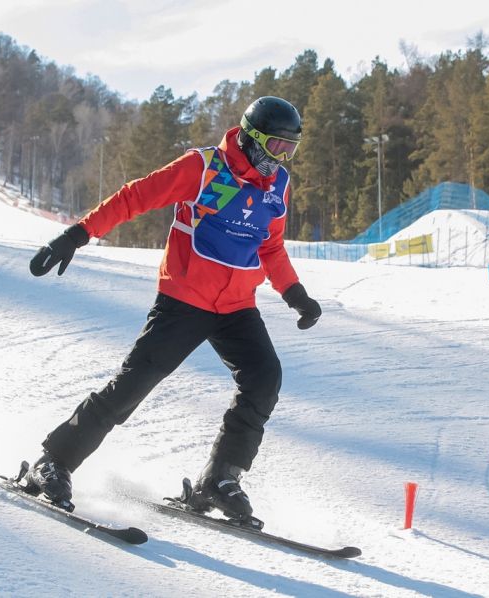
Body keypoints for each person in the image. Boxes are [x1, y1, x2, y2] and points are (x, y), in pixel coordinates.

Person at [24, 96, 321, 520]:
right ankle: (54, 460)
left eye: (290, 149)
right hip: (184, 299)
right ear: (253, 140)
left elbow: (269, 245)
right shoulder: (202, 168)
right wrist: (76, 235)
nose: (283, 157)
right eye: (277, 146)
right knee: (134, 383)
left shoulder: (279, 185)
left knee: (264, 377)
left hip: (236, 305)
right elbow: (134, 198)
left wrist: (295, 293)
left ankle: (220, 480)